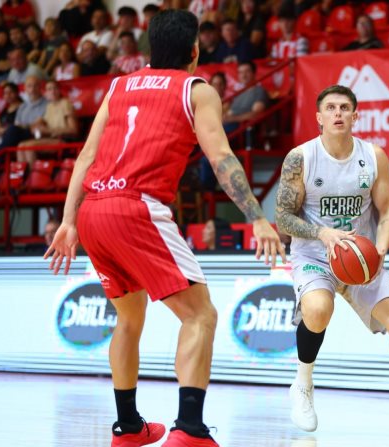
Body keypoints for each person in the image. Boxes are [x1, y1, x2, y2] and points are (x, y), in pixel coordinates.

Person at [44, 10, 286, 446]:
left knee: (128, 318)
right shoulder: (196, 89)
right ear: (194, 52)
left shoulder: (118, 86)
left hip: (92, 211)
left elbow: (85, 157)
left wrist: (66, 221)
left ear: (150, 51)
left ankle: (129, 427)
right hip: (137, 207)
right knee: (200, 315)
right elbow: (222, 158)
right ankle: (189, 429)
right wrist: (257, 217)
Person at [275, 85, 389, 438]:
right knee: (318, 310)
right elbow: (282, 216)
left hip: (361, 255)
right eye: (330, 107)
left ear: (356, 116)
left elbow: (388, 212)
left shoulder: (373, 157)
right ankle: (303, 385)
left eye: (344, 108)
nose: (337, 113)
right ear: (319, 117)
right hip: (315, 254)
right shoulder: (301, 157)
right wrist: (322, 234)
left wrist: (380, 250)